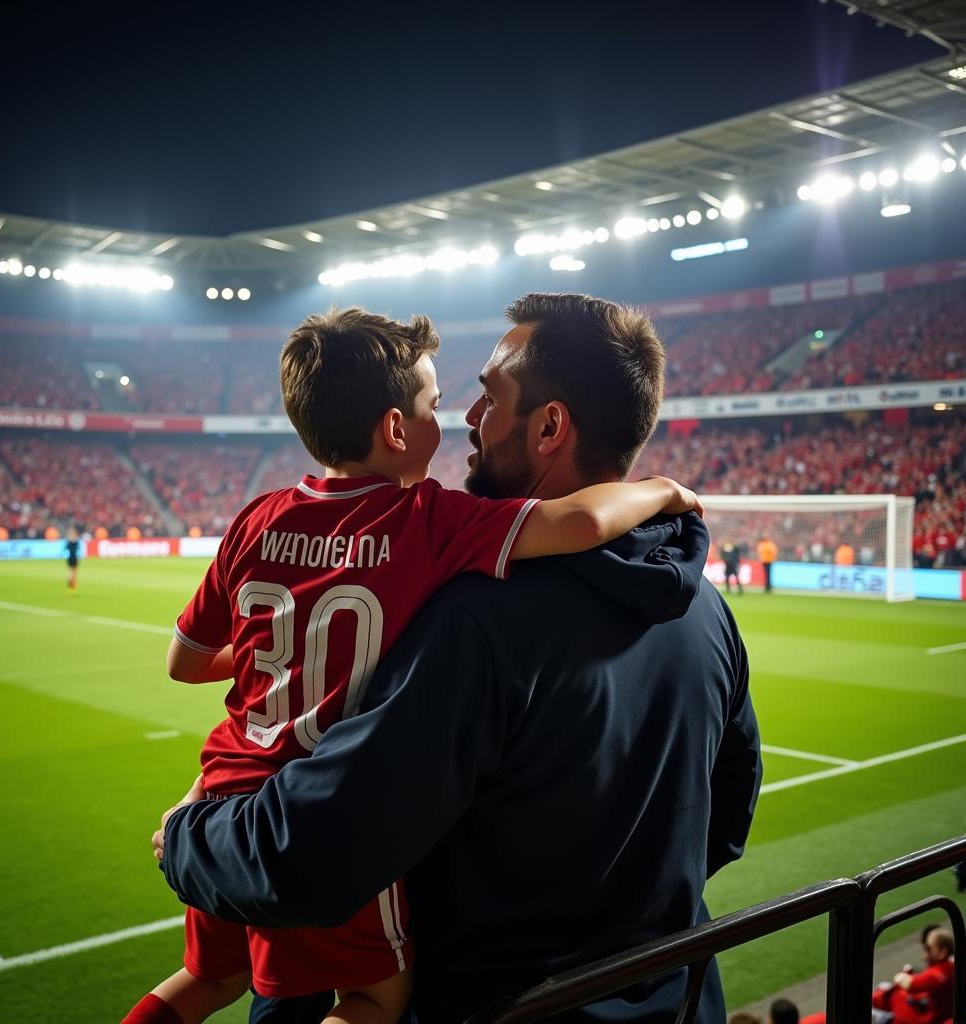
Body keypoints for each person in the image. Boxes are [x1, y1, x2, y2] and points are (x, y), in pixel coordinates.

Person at [157, 292, 761, 1024]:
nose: (467, 422)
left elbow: (315, 857)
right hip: (679, 1001)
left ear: (549, 426)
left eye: (487, 398)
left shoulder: (474, 619)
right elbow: (725, 822)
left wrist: (187, 838)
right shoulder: (707, 611)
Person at [871, 927, 954, 1024]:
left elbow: (911, 984)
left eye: (928, 948)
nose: (925, 952)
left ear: (942, 952)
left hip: (931, 1018)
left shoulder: (940, 972)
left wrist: (901, 976)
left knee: (890, 993)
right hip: (934, 1012)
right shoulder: (949, 966)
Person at [65, 527, 80, 592]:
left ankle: (69, 580)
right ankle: (73, 585)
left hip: (69, 557)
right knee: (75, 572)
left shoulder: (68, 542)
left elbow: (66, 548)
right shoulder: (76, 541)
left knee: (70, 571)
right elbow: (77, 548)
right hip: (74, 557)